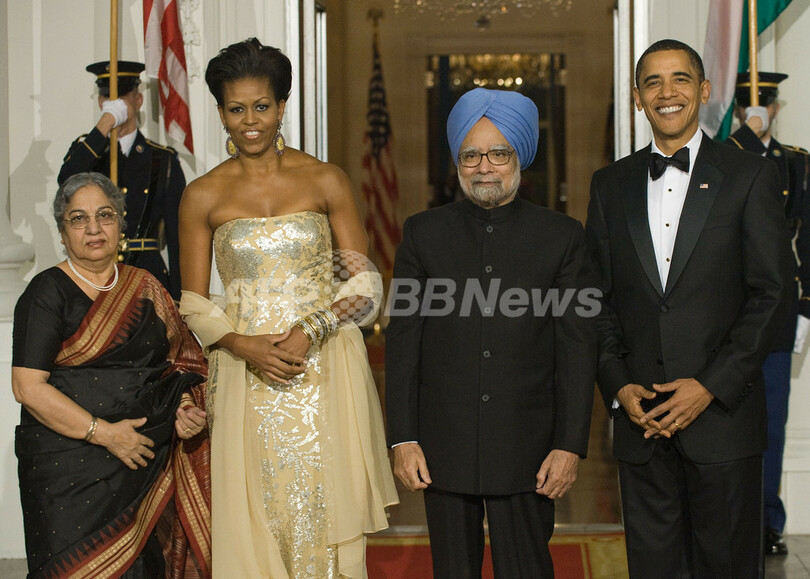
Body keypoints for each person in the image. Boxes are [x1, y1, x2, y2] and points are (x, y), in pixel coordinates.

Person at [177, 38, 397, 578]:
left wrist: (312, 328)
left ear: (282, 106)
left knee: (325, 506)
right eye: (236, 109)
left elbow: (365, 283)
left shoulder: (325, 179)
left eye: (261, 106)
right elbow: (193, 302)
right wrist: (240, 344)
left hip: (325, 369)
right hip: (242, 375)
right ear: (221, 113)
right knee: (254, 510)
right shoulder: (202, 195)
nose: (250, 121)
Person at [585, 39, 792, 577]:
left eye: (680, 78)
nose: (666, 92)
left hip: (723, 421)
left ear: (703, 91)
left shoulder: (750, 175)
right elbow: (594, 299)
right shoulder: (609, 185)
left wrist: (709, 386)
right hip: (642, 424)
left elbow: (771, 293)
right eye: (652, 82)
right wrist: (618, 385)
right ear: (637, 98)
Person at [385, 87, 596, 578]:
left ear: (519, 157)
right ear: (457, 161)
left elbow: (577, 348)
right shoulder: (422, 233)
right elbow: (403, 342)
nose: (484, 167)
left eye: (498, 153)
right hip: (443, 445)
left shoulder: (562, 236)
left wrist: (569, 446)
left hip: (530, 447)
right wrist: (403, 438)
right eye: (471, 155)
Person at [12, 172, 211, 578]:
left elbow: (179, 364)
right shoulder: (45, 293)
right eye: (78, 218)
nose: (93, 228)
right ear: (62, 232)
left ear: (121, 224)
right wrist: (105, 434)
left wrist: (184, 407)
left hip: (143, 464)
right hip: (69, 470)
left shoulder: (146, 287)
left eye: (104, 215)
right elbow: (27, 388)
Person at [727, 71, 810, 556]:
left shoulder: (795, 162)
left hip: (779, 305)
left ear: (776, 108)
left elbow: (807, 237)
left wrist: (806, 306)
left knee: (772, 419)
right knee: (726, 417)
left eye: (762, 106)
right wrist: (745, 138)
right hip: (729, 307)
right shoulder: (724, 155)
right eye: (746, 108)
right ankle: (731, 517)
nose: (756, 113)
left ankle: (766, 519)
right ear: (739, 112)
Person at [58, 60, 186, 300]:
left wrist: (179, 300)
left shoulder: (162, 160)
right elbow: (65, 183)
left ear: (138, 101)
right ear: (100, 102)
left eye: (121, 98)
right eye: (108, 97)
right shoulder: (87, 152)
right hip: (94, 278)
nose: (114, 104)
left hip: (146, 278)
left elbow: (178, 237)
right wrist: (104, 125)